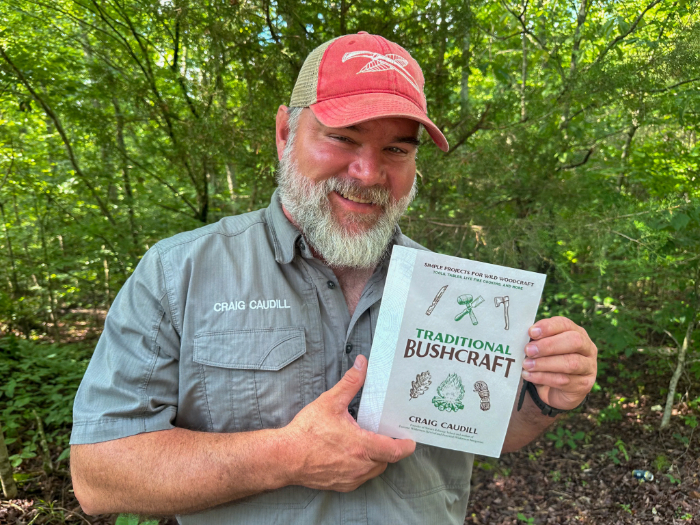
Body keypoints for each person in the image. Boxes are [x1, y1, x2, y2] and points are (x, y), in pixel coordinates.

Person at [70, 32, 597, 524]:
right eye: (342, 137)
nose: (368, 173)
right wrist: (284, 458)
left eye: (397, 149)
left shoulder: (451, 291)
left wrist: (548, 396)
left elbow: (488, 432)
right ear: (284, 134)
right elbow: (99, 474)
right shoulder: (178, 272)